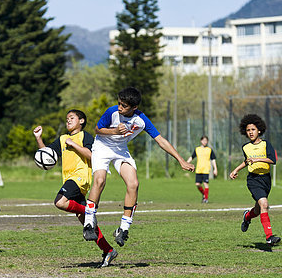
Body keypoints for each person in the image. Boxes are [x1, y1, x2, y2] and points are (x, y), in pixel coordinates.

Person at [82, 87, 194, 247]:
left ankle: (123, 228)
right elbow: (97, 130)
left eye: (124, 106)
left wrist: (181, 160)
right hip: (102, 147)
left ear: (134, 107)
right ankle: (88, 223)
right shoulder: (112, 112)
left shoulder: (141, 120)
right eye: (119, 103)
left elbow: (160, 140)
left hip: (121, 150)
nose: (120, 107)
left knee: (133, 184)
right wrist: (114, 131)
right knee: (100, 180)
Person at [34, 109, 118, 268]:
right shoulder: (62, 139)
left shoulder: (84, 136)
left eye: (71, 118)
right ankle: (108, 250)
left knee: (60, 202)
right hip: (69, 179)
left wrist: (74, 145)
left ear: (81, 121)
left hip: (80, 178)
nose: (68, 121)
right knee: (86, 221)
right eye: (66, 119)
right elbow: (47, 156)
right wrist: (39, 138)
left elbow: (93, 156)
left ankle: (88, 211)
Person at [230, 114, 281, 246]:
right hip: (253, 180)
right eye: (248, 130)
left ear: (259, 130)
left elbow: (272, 160)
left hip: (266, 179)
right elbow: (247, 161)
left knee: (258, 210)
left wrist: (258, 159)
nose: (251, 132)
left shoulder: (266, 144)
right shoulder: (246, 147)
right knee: (264, 204)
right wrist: (236, 170)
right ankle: (269, 237)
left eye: (253, 129)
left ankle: (247, 216)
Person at [186, 135, 218, 203]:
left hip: (206, 169)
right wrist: (186, 164)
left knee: (205, 184)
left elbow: (213, 160)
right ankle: (204, 194)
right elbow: (192, 157)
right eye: (203, 140)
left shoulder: (209, 150)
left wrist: (215, 169)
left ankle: (206, 199)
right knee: (197, 184)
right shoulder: (197, 149)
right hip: (199, 169)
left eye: (206, 140)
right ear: (201, 141)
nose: (205, 142)